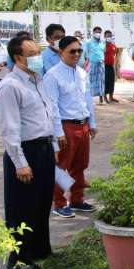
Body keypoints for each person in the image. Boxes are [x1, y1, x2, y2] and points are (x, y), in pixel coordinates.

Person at [0, 36, 58, 269]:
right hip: (25, 151)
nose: (38, 58)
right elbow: (9, 128)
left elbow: (48, 115)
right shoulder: (10, 86)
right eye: (32, 54)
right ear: (18, 57)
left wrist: (54, 147)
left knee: (42, 202)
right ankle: (19, 258)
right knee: (22, 206)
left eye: (38, 52)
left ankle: (40, 250)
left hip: (44, 148)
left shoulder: (38, 80)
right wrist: (20, 162)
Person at [43, 36, 98, 219]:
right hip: (66, 126)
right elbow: (52, 107)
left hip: (83, 125)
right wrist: (58, 133)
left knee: (80, 165)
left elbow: (87, 99)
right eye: (72, 51)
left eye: (79, 51)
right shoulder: (53, 75)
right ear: (61, 52)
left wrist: (92, 123)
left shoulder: (81, 73)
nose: (76, 54)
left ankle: (77, 199)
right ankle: (59, 203)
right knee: (61, 166)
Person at [85, 26, 106, 105]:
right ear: (93, 33)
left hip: (101, 64)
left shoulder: (102, 42)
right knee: (91, 81)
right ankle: (90, 100)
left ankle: (101, 100)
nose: (98, 33)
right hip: (93, 64)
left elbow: (103, 52)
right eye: (97, 32)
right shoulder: (89, 43)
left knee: (101, 81)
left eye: (99, 32)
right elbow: (86, 54)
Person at [103, 30, 119, 103]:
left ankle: (111, 97)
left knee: (112, 81)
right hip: (104, 66)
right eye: (107, 36)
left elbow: (115, 52)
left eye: (110, 36)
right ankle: (105, 97)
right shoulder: (102, 45)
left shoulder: (113, 45)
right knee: (106, 81)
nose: (109, 37)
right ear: (104, 37)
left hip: (111, 66)